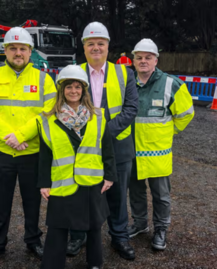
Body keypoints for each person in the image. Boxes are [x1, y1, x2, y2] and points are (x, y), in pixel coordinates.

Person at [0, 27, 57, 265]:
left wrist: (21, 135)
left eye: (22, 48)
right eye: (13, 48)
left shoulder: (44, 79)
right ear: (6, 51)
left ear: (30, 51)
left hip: (32, 151)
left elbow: (48, 113)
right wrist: (9, 137)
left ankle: (33, 241)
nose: (18, 53)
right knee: (0, 200)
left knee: (33, 200)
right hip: (2, 151)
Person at [67, 22, 138, 261]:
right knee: (82, 193)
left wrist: (103, 132)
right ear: (84, 47)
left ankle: (119, 237)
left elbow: (130, 109)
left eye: (100, 43)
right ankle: (79, 235)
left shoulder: (124, 73)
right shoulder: (72, 72)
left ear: (108, 46)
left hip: (118, 146)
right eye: (91, 44)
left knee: (118, 195)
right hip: (82, 146)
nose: (96, 48)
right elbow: (64, 106)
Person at [38, 65, 117, 269]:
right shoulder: (48, 119)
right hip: (63, 182)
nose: (74, 91)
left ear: (84, 90)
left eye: (78, 87)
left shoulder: (98, 117)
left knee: (93, 226)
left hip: (91, 181)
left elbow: (107, 148)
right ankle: (52, 264)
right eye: (69, 87)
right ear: (61, 90)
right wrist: (44, 183)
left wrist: (109, 176)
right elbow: (45, 155)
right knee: (57, 227)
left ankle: (94, 263)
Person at [128, 38, 194, 250]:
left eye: (148, 57)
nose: (143, 61)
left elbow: (186, 114)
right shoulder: (126, 83)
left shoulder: (171, 84)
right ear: (134, 60)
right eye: (139, 58)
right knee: (135, 192)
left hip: (158, 154)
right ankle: (139, 224)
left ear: (156, 60)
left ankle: (161, 229)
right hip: (132, 152)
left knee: (161, 196)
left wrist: (168, 131)